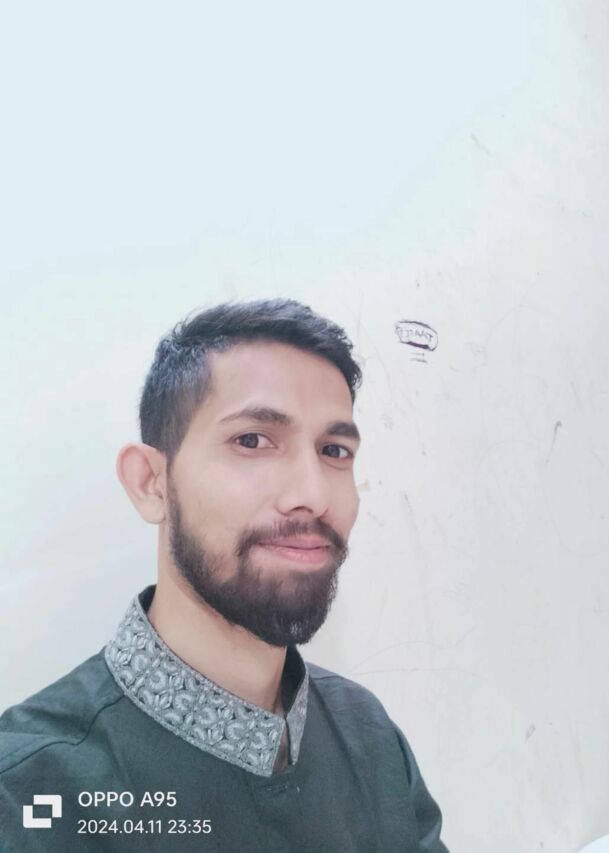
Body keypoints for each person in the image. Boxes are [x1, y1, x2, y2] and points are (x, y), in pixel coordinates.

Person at [0, 298, 448, 852]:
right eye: (252, 441)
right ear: (151, 483)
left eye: (334, 450)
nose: (312, 494)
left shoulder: (370, 738)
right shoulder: (30, 792)